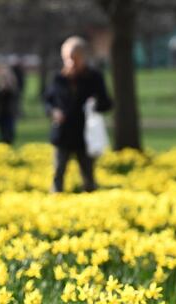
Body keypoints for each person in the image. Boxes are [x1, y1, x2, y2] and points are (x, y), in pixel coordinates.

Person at [44, 36, 113, 193]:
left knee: (88, 177)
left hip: (85, 135)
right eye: (68, 58)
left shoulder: (94, 77)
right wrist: (54, 112)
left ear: (83, 57)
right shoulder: (58, 78)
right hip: (63, 134)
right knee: (58, 173)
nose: (71, 63)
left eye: (75, 58)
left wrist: (94, 104)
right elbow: (48, 102)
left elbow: (107, 103)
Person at [0, 67, 19, 145]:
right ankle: (2, 148)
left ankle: (8, 146)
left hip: (10, 113)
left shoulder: (13, 86)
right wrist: (1, 89)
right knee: (2, 133)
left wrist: (8, 87)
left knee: (10, 133)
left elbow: (15, 96)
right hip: (0, 113)